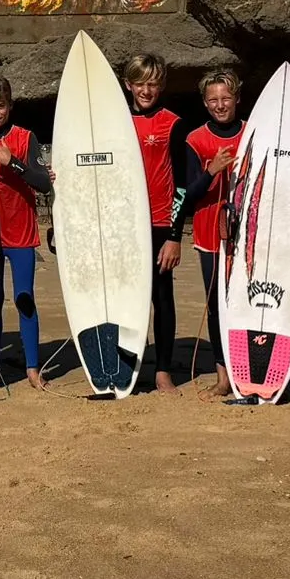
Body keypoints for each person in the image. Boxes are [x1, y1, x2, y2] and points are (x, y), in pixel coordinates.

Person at [0, 77, 52, 390]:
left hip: (21, 230)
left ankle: (32, 368)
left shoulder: (24, 137)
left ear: (10, 106)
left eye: (0, 105)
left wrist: (12, 162)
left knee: (24, 298)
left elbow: (43, 183)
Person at [168, 69, 244, 398]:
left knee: (245, 303)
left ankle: (248, 369)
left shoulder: (254, 132)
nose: (220, 104)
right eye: (213, 99)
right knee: (218, 305)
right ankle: (224, 376)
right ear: (204, 102)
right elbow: (186, 195)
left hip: (247, 234)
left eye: (226, 98)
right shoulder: (195, 140)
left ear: (237, 98)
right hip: (209, 232)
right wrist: (212, 170)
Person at [123, 53, 189, 394]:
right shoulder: (114, 122)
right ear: (128, 84)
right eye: (140, 83)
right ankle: (128, 366)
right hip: (124, 225)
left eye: (153, 83)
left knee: (161, 297)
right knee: (126, 298)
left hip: (160, 222)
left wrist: (175, 236)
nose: (146, 90)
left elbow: (182, 183)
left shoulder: (172, 123)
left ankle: (162, 370)